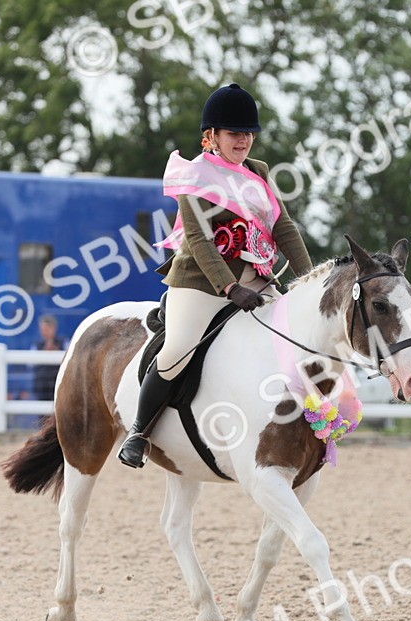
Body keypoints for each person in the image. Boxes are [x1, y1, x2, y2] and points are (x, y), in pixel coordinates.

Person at [118, 82, 315, 468]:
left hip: (256, 278)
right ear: (212, 136)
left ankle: (305, 426)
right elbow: (199, 239)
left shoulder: (257, 172)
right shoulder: (195, 175)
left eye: (248, 134)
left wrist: (309, 283)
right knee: (178, 349)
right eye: (234, 134)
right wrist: (229, 286)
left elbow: (284, 228)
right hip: (201, 283)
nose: (243, 141)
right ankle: (139, 431)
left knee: (297, 336)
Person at [32, 314, 64, 401]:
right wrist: (43, 354)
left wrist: (57, 352)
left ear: (53, 328)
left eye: (46, 329)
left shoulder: (63, 342)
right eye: (42, 329)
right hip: (41, 385)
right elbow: (30, 364)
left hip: (59, 383)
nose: (43, 332)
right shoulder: (37, 345)